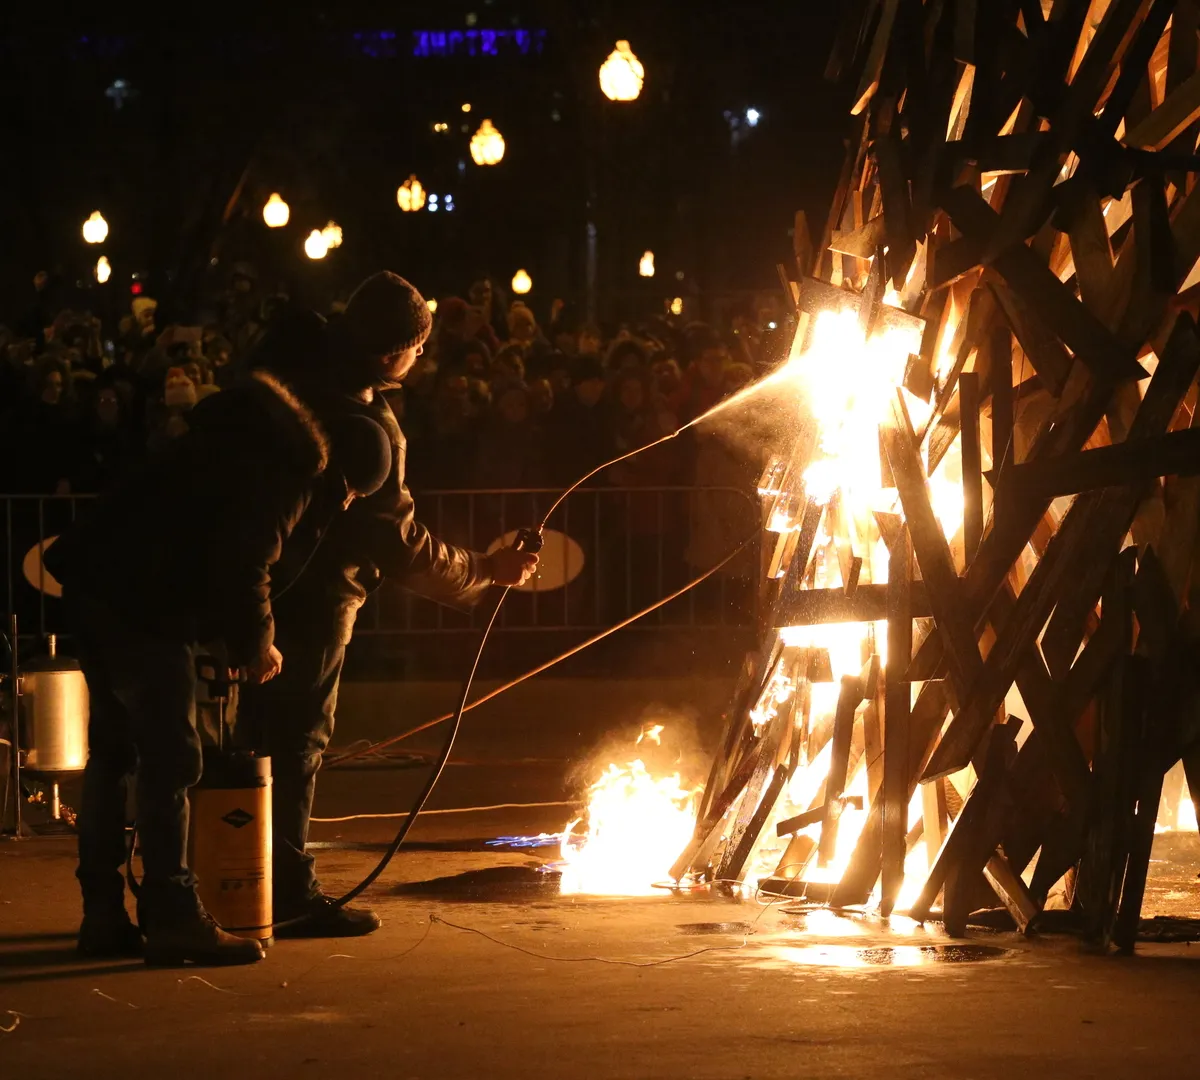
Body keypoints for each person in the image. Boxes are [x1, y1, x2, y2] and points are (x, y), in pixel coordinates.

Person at [46, 371, 392, 966]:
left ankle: (102, 914)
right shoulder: (289, 474)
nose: (348, 505)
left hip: (98, 583)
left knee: (114, 751)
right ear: (344, 479)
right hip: (140, 602)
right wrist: (257, 645)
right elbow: (245, 563)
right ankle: (175, 913)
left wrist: (223, 637)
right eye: (355, 494)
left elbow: (203, 541)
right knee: (173, 755)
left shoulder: (241, 441)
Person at [241, 272, 538, 939]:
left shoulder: (295, 377)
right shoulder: (364, 424)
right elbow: (397, 543)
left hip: (247, 586)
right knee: (296, 743)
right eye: (418, 346)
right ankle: (287, 892)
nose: (422, 359)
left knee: (240, 740)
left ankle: (222, 881)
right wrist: (485, 571)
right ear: (392, 352)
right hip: (310, 601)